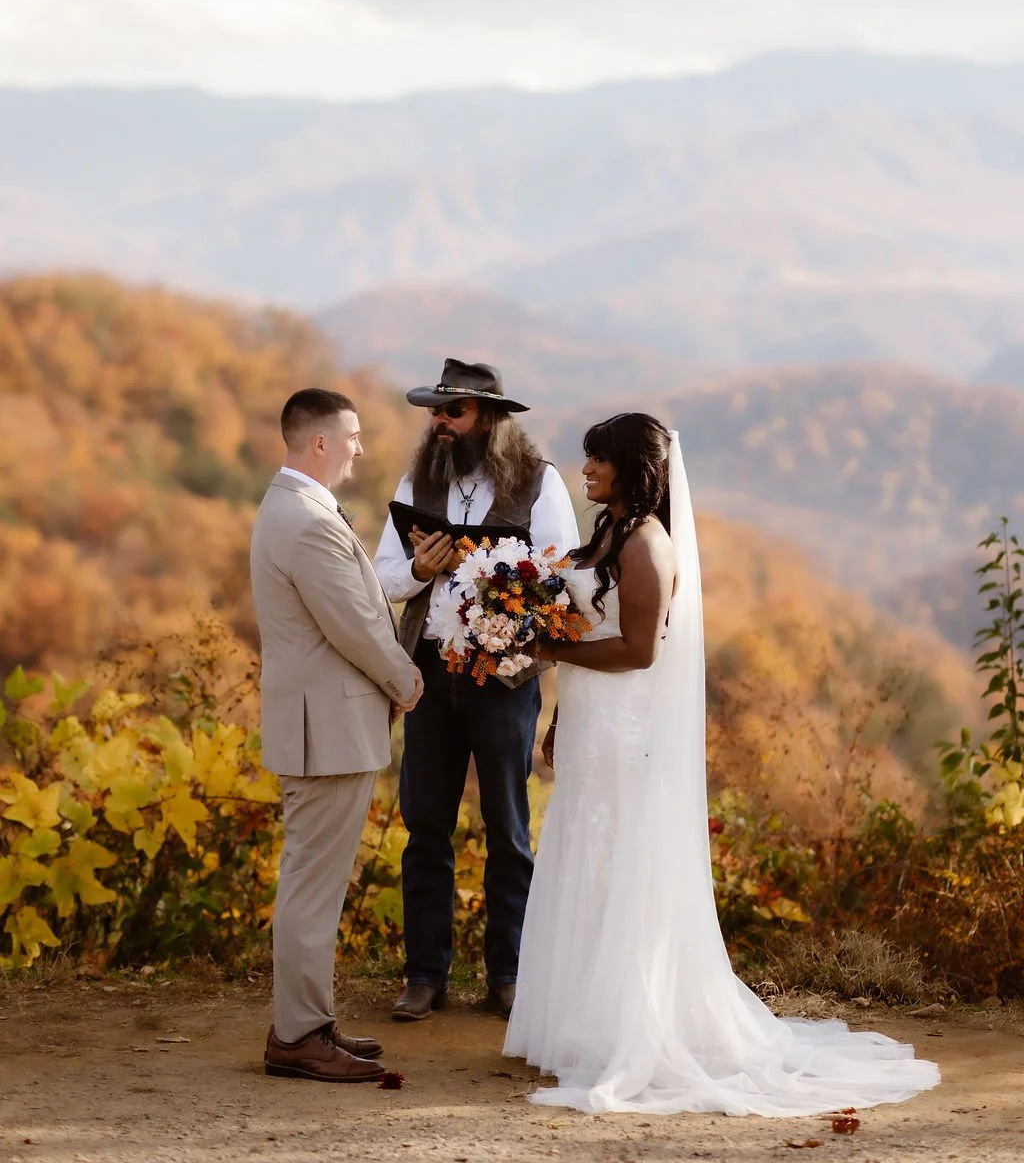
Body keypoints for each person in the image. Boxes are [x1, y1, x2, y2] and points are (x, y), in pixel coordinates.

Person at [504, 412, 940, 1115]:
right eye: (586, 460)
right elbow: (595, 631)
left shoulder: (646, 545)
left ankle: (627, 1026)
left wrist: (551, 655)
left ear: (634, 469)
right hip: (591, 719)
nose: (586, 470)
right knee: (585, 851)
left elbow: (640, 650)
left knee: (619, 860)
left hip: (626, 727)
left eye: (599, 461)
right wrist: (560, 709)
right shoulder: (609, 533)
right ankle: (579, 1024)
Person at [374, 359, 579, 1021]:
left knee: (508, 828)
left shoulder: (539, 484)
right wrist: (417, 568)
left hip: (506, 677)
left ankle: (508, 975)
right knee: (425, 825)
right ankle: (425, 976)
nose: (439, 422)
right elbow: (379, 579)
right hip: (430, 673)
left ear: (488, 419)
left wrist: (502, 592)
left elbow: (560, 581)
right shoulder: (416, 482)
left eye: (452, 411)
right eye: (435, 410)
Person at [250, 387, 423, 1082]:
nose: (360, 446)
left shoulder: (294, 509)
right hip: (327, 730)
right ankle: (298, 1036)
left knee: (312, 884)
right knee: (313, 889)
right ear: (318, 441)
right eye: (351, 435)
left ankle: (309, 1022)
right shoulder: (306, 521)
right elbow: (352, 620)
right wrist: (404, 679)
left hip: (324, 724)